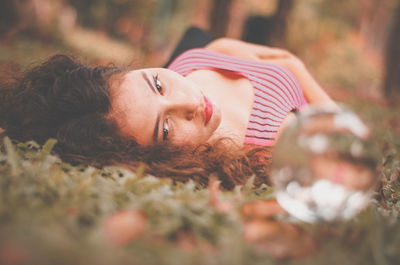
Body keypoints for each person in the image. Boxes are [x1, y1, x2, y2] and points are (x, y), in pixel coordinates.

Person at [0, 29, 338, 190]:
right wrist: (294, 65)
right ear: (160, 159)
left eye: (157, 84)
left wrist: (288, 63)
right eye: (165, 129)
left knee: (193, 40)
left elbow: (227, 49)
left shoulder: (192, 62)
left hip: (191, 51)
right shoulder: (266, 150)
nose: (191, 103)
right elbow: (343, 132)